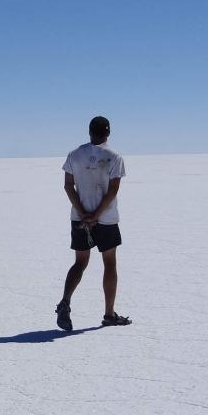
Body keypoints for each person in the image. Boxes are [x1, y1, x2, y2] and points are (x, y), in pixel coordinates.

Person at [56, 116, 131, 330]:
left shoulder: (75, 155)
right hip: (106, 219)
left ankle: (65, 302)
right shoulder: (114, 157)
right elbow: (113, 189)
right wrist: (97, 215)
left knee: (80, 263)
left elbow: (68, 186)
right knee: (109, 263)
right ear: (108, 133)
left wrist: (84, 213)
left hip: (79, 219)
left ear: (89, 131)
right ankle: (109, 314)